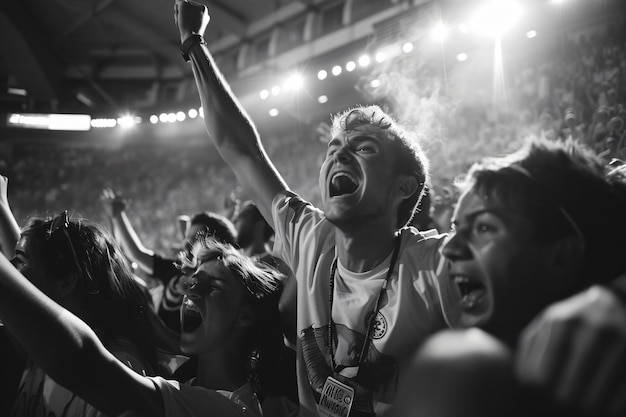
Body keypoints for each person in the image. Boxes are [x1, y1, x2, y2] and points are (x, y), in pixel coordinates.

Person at [173, 2, 457, 416]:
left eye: (363, 148)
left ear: (403, 187)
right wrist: (194, 44)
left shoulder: (435, 269)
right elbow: (241, 151)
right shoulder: (310, 238)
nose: (339, 156)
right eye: (333, 149)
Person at [391, 137, 626, 417]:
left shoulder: (461, 369)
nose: (450, 249)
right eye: (456, 229)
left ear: (562, 255)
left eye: (483, 227)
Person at [0, 234, 286, 417]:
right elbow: (42, 287)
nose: (191, 290)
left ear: (245, 316)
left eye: (214, 286)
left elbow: (83, 364)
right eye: (195, 279)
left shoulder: (230, 409)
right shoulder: (184, 377)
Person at [7, 211, 165, 416]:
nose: (11, 268)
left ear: (66, 282)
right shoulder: (45, 343)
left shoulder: (117, 367)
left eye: (20, 261)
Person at [101, 188, 237, 332]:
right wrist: (118, 215)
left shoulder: (217, 288)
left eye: (195, 239)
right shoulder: (175, 269)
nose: (186, 244)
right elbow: (136, 253)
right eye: (186, 237)